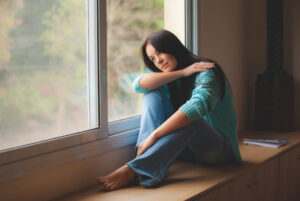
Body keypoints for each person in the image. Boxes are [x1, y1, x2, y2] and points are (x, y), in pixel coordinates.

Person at [96, 29, 242, 191]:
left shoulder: (206, 70)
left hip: (217, 150)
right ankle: (142, 163)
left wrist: (154, 135)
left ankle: (134, 169)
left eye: (159, 53)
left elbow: (197, 106)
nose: (157, 61)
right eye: (152, 58)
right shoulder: (172, 74)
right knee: (151, 91)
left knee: (191, 118)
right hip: (185, 150)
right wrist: (182, 73)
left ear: (172, 47)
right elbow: (138, 85)